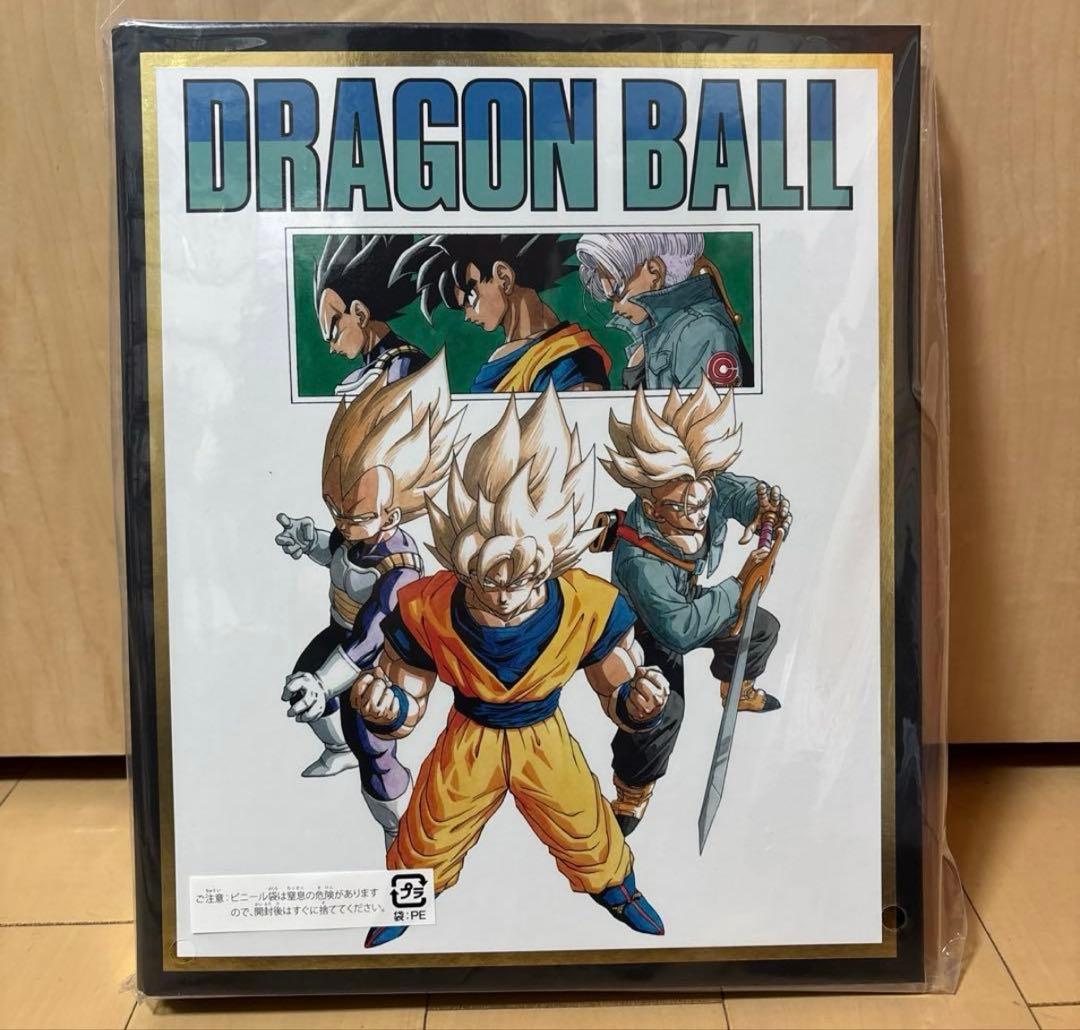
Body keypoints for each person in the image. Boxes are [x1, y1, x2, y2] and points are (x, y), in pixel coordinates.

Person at [351, 386, 668, 947]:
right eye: (487, 580)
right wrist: (386, 707)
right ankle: (406, 899)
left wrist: (636, 699)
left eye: (521, 580)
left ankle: (618, 891)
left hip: (544, 737)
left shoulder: (587, 604)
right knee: (429, 833)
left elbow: (615, 685)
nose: (502, 596)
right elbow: (408, 696)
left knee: (586, 828)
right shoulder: (428, 607)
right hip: (468, 737)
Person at [274, 354, 464, 846]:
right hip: (340, 633)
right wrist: (310, 540)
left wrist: (326, 682)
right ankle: (337, 750)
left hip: (384, 658)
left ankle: (397, 827)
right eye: (335, 510)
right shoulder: (354, 528)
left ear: (391, 515)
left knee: (371, 742)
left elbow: (370, 635)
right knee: (306, 686)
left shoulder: (400, 567)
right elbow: (338, 552)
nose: (343, 523)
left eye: (355, 517)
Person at [595, 381, 790, 834]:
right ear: (651, 505)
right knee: (659, 709)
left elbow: (738, 492)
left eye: (702, 500)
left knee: (760, 628)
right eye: (683, 505)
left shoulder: (702, 489)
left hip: (692, 600)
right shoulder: (639, 561)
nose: (698, 512)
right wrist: (739, 585)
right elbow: (679, 630)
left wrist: (764, 510)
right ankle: (631, 792)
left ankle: (737, 688)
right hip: (647, 627)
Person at [392, 233, 611, 391]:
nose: (467, 315)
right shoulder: (503, 358)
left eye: (470, 298)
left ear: (503, 277)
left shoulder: (573, 361)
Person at [576, 232, 753, 390]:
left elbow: (708, 415)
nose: (615, 309)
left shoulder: (702, 331)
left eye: (618, 293)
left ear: (654, 272)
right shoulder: (662, 334)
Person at [313, 234, 428, 395]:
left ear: (360, 314)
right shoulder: (355, 379)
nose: (332, 349)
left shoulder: (405, 366)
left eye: (334, 334)